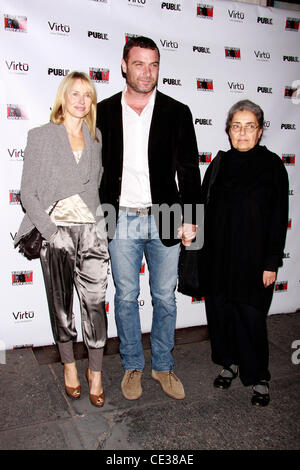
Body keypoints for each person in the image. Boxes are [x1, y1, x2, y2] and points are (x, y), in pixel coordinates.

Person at [96, 36, 201, 401]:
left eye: (153, 64)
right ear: (124, 65)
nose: (147, 71)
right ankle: (132, 366)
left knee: (165, 298)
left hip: (167, 216)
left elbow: (189, 170)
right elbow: (93, 168)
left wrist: (192, 218)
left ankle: (163, 365)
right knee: (125, 296)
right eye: (139, 63)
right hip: (119, 215)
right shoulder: (104, 111)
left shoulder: (177, 111)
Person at [15, 71, 109, 407]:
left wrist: (100, 229)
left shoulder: (95, 137)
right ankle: (70, 367)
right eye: (75, 94)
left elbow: (95, 186)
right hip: (56, 233)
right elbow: (28, 192)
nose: (82, 100)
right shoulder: (41, 136)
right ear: (63, 97)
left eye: (88, 95)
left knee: (96, 306)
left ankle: (95, 372)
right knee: (61, 306)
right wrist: (51, 232)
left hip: (92, 233)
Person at [201, 99, 289, 407]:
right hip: (218, 260)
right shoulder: (219, 164)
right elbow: (202, 210)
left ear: (260, 130)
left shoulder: (273, 166)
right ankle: (229, 363)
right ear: (228, 131)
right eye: (236, 126)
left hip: (253, 263)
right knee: (221, 316)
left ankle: (258, 376)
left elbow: (279, 217)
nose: (242, 132)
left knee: (251, 319)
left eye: (249, 126)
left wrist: (271, 262)